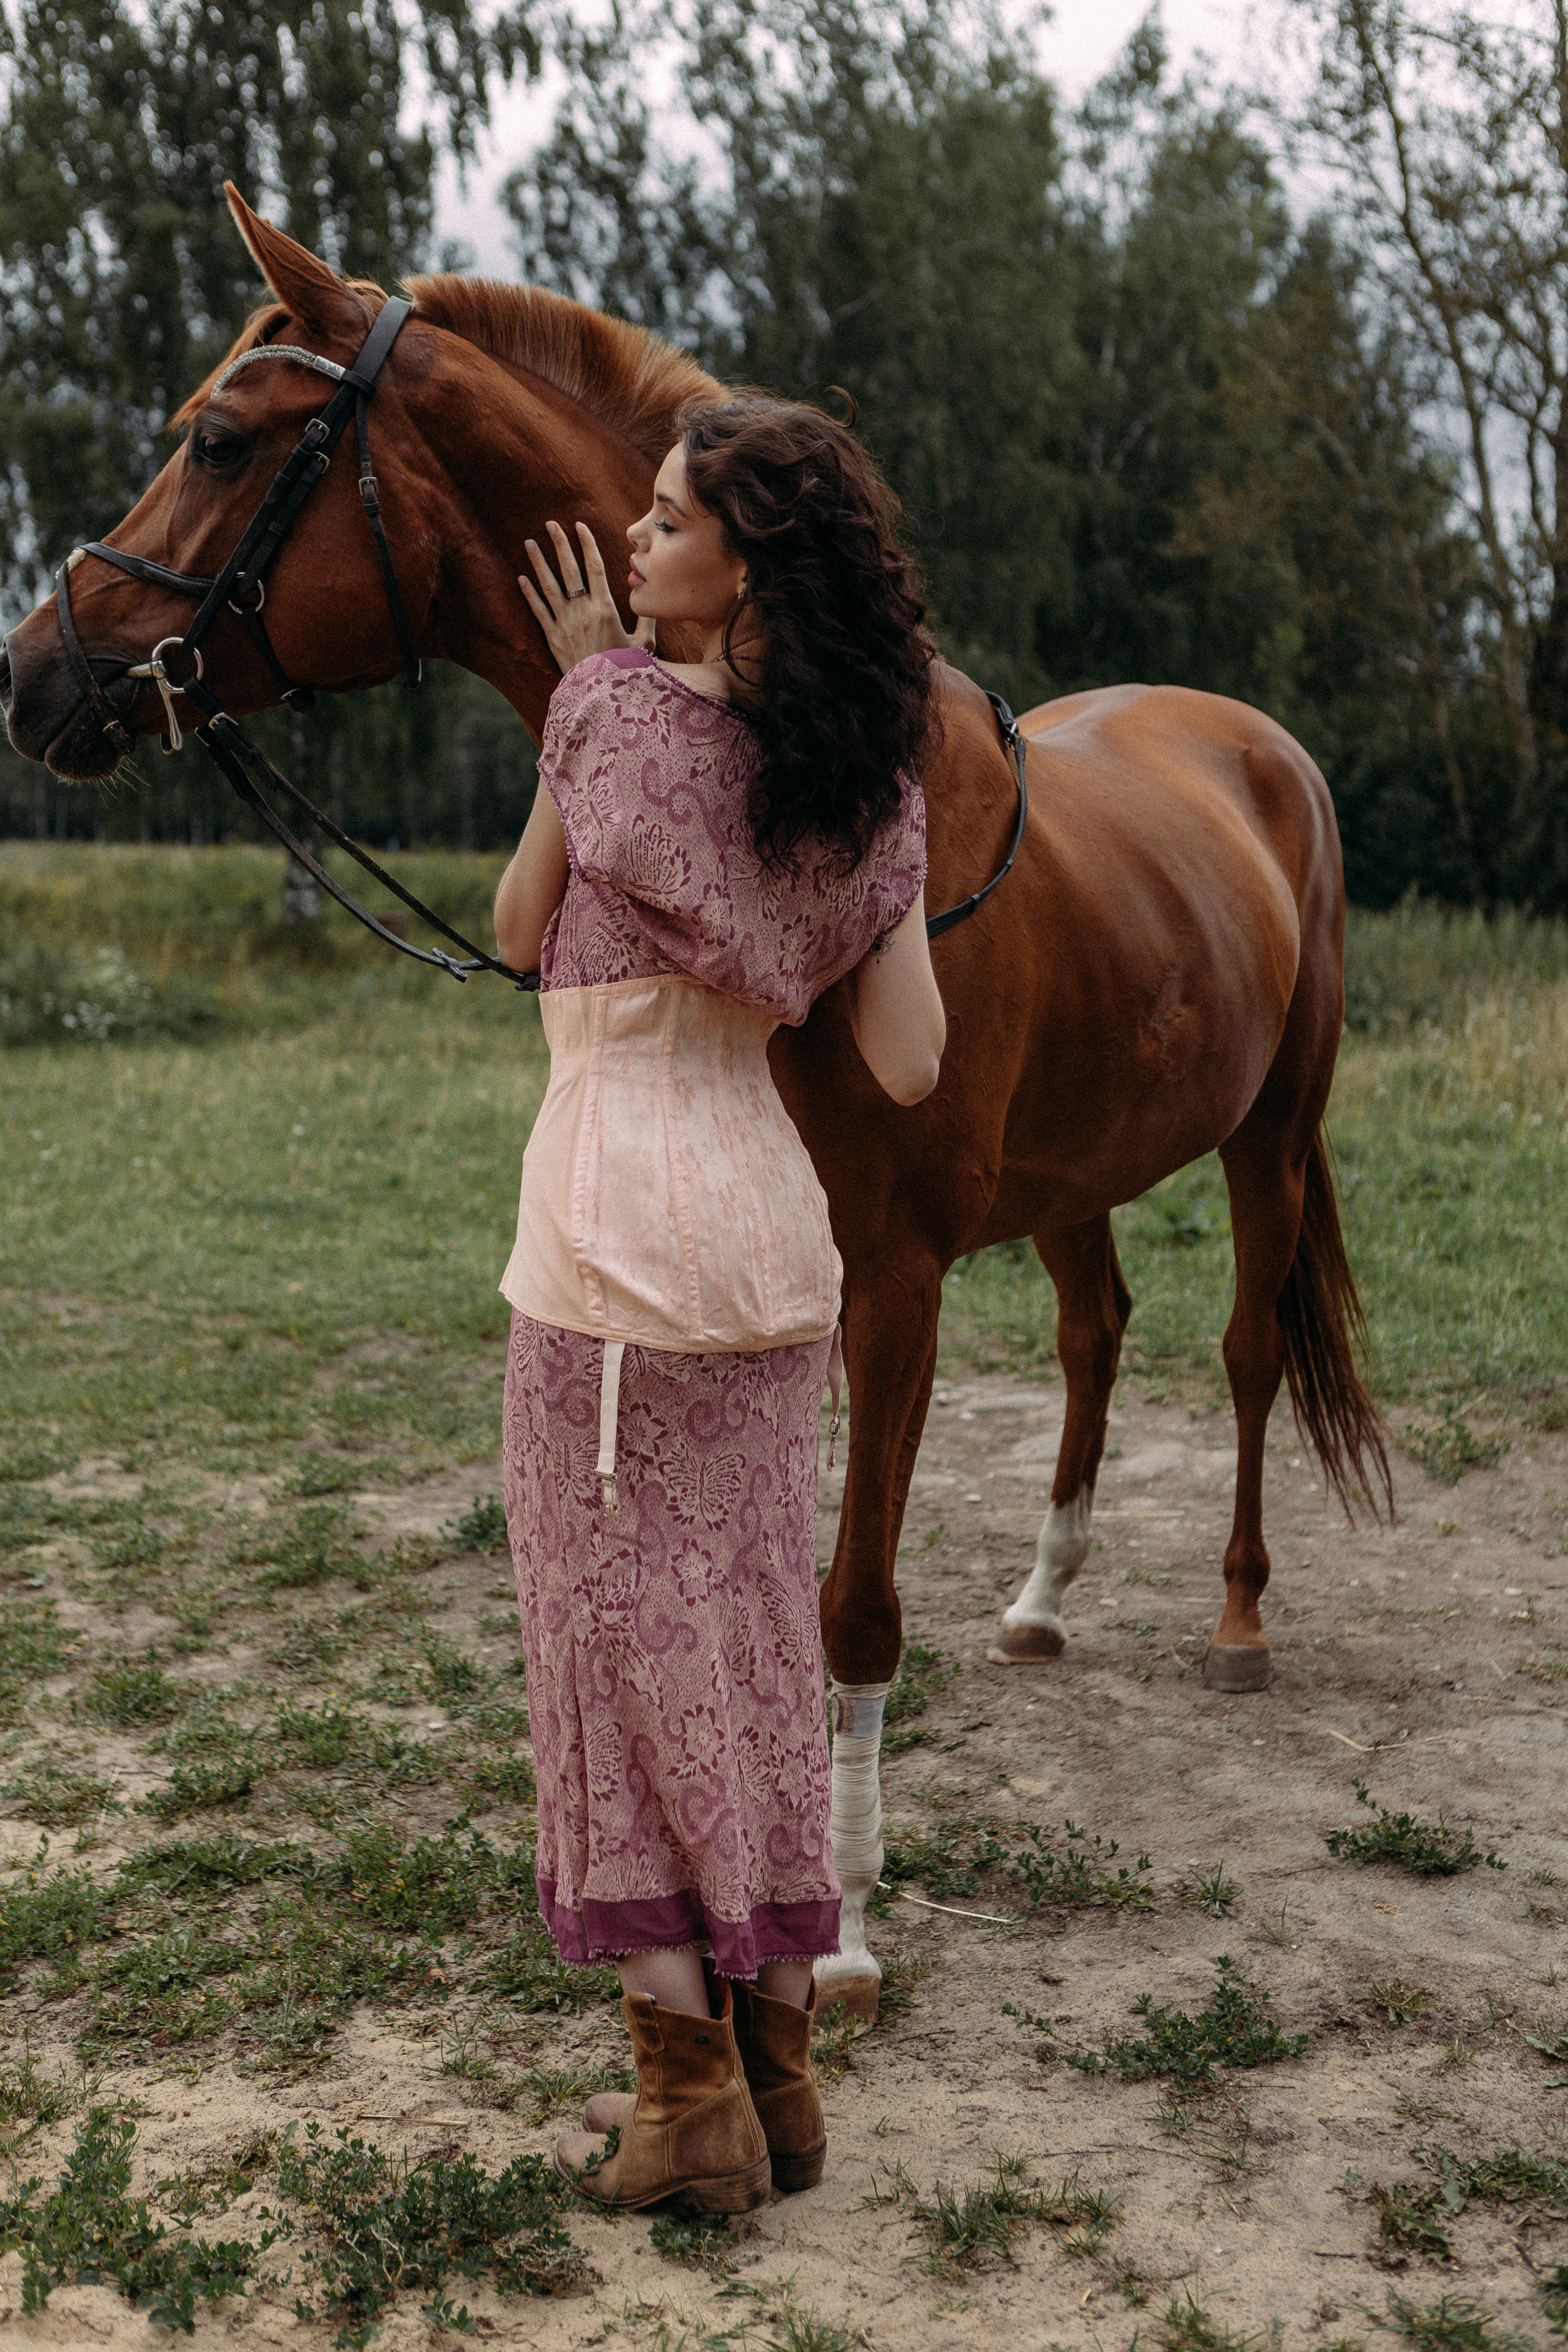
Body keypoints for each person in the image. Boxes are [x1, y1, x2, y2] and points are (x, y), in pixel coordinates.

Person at [492, 393, 945, 2215]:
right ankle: (782, 2073)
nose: (634, 538)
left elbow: (523, 928)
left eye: (669, 519)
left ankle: (684, 2107)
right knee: (751, 1641)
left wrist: (581, 717)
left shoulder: (605, 711)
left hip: (607, 1246)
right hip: (771, 1250)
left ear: (745, 564)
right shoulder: (868, 782)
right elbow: (908, 1066)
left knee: (611, 1652)